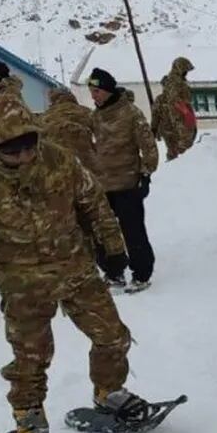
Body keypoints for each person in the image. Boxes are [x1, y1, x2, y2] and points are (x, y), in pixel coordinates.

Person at [0, 94, 163, 433]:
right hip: (21, 278)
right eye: (12, 150)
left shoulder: (57, 158)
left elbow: (93, 202)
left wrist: (112, 248)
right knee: (32, 357)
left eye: (29, 144)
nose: (25, 156)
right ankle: (30, 426)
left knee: (113, 335)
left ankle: (109, 393)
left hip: (75, 265)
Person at [88, 68, 159, 293]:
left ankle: (141, 274)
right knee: (102, 232)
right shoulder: (95, 116)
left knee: (133, 231)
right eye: (91, 91)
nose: (94, 95)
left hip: (128, 185)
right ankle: (114, 271)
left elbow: (149, 147)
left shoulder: (131, 113)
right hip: (102, 186)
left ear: (109, 91)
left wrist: (145, 175)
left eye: (97, 91)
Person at [151, 57, 197, 161]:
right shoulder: (175, 84)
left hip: (174, 127)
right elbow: (176, 106)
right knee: (182, 154)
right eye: (185, 70)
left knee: (177, 153)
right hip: (176, 127)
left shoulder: (177, 85)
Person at [40, 87, 96, 172]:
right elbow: (101, 135)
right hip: (86, 164)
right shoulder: (85, 111)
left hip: (58, 166)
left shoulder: (45, 116)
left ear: (52, 99)